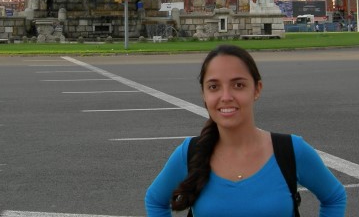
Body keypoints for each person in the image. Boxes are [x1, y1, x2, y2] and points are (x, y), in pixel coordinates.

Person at [145, 45, 346, 216]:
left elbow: (334, 197)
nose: (226, 96)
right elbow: (155, 201)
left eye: (238, 85)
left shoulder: (290, 150)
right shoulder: (189, 153)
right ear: (204, 94)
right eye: (214, 87)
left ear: (257, 89)